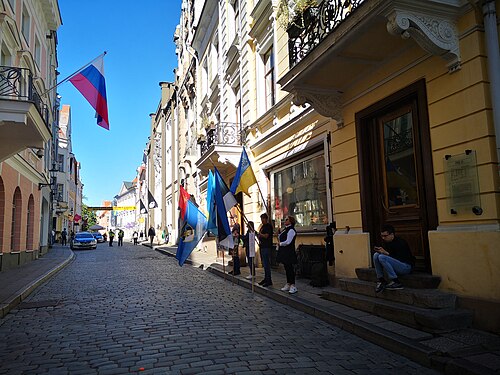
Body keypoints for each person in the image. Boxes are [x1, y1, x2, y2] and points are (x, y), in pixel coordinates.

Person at [373, 224, 415, 292]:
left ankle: (396, 282)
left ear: (392, 234)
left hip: (406, 267)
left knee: (382, 257)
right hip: (397, 265)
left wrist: (386, 253)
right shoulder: (386, 242)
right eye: (382, 236)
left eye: (385, 236)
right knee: (376, 255)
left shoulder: (401, 243)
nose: (383, 238)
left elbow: (401, 259)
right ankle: (381, 280)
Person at [277, 216, 298, 294]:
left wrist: (281, 244)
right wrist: (279, 234)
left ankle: (293, 285)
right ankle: (288, 283)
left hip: (289, 252)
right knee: (286, 267)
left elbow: (288, 241)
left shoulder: (291, 230)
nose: (285, 221)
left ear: (291, 221)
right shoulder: (285, 229)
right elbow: (280, 237)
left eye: (286, 220)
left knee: (290, 268)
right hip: (284, 252)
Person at [257, 213, 274, 287]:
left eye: (263, 219)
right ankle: (266, 278)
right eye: (261, 219)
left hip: (267, 247)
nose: (262, 220)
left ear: (266, 219)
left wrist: (260, 234)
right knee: (264, 264)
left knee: (267, 264)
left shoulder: (268, 226)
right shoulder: (262, 226)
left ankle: (268, 280)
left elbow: (266, 236)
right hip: (262, 246)